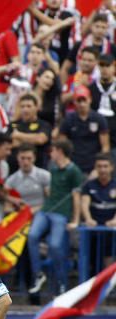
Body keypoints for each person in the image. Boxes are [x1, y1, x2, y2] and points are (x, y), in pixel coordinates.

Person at [29, 138, 84, 294]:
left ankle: (62, 283)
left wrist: (75, 220)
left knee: (55, 245)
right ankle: (38, 274)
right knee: (32, 235)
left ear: (59, 151)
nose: (51, 153)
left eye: (53, 150)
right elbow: (51, 190)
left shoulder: (74, 171)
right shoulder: (52, 167)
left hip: (61, 213)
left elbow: (76, 197)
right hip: (47, 209)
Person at [74, 153, 116, 269]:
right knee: (89, 258)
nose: (102, 169)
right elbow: (84, 203)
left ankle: (109, 286)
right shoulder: (89, 185)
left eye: (105, 166)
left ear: (111, 167)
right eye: (99, 166)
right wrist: (88, 219)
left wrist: (114, 220)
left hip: (110, 229)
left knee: (109, 257)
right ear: (95, 168)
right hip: (93, 228)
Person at [58, 85, 110, 174]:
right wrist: (66, 164)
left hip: (93, 164)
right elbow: (62, 144)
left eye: (84, 100)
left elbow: (105, 146)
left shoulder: (99, 119)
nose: (82, 104)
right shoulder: (68, 120)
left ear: (89, 99)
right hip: (73, 163)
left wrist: (98, 168)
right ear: (74, 101)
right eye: (79, 100)